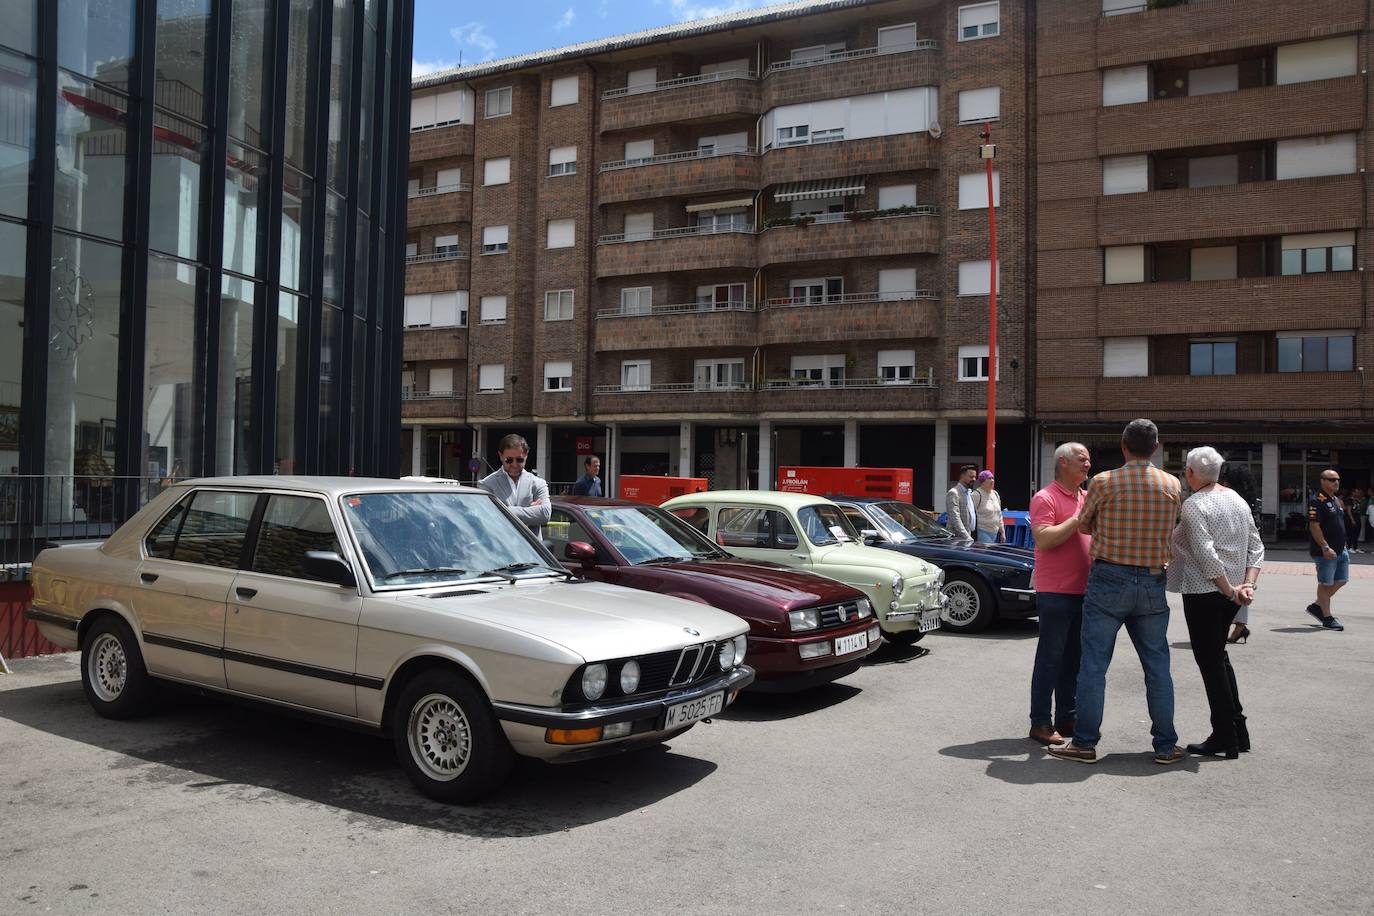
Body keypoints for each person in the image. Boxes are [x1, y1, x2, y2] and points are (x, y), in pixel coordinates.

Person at [1048, 418, 1185, 766]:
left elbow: (1084, 525)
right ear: (1155, 447)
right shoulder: (1171, 484)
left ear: (1124, 446)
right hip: (1152, 581)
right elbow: (1172, 526)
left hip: (1109, 577)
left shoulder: (1103, 482)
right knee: (1157, 666)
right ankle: (1166, 745)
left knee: (1094, 665)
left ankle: (1085, 743)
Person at [1168, 447, 1263, 759]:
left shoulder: (1195, 504)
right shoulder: (1236, 499)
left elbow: (1206, 555)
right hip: (1232, 592)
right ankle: (1237, 731)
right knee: (1218, 658)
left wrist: (1229, 590)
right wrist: (1246, 585)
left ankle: (1225, 735)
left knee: (1210, 663)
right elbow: (1256, 546)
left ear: (1190, 473)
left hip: (1205, 593)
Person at [1026, 442, 1092, 746]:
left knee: (1073, 660)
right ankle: (1040, 722)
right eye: (1082, 459)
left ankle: (1067, 717)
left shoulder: (1086, 497)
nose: (1087, 464)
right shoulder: (1046, 497)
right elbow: (1044, 538)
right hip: (1055, 591)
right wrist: (1077, 519)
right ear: (1063, 462)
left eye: (1088, 460)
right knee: (1050, 659)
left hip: (1084, 590)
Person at [1218, 462, 1260, 645]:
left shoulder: (1232, 500)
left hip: (1235, 550)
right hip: (1244, 550)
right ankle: (1239, 626)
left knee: (1235, 589)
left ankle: (1239, 626)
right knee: (1241, 588)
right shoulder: (1246, 500)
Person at [479, 434, 551, 537]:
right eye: (509, 460)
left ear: (526, 455)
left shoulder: (538, 483)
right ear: (500, 456)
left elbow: (545, 513)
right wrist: (530, 512)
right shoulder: (486, 484)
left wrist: (503, 510)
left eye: (519, 460)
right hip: (501, 545)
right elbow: (487, 517)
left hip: (531, 547)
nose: (514, 465)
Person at [1305, 469, 1347, 631]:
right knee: (1325, 583)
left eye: (1337, 479)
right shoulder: (1317, 500)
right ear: (1322, 481)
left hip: (1340, 550)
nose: (1336, 482)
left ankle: (1317, 606)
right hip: (1325, 551)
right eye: (1331, 479)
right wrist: (1325, 547)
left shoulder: (1336, 500)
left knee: (1342, 580)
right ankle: (1327, 617)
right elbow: (1314, 526)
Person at [944, 465, 978, 540]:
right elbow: (955, 518)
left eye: (975, 477)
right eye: (971, 477)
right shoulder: (953, 493)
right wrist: (967, 537)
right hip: (956, 539)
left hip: (968, 535)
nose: (974, 479)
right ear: (962, 476)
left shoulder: (968, 493)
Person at [972, 470, 1004, 544]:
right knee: (986, 550)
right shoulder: (976, 495)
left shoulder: (995, 494)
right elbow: (970, 514)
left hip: (994, 531)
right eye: (989, 478)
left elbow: (999, 515)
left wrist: (1002, 532)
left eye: (993, 478)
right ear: (983, 481)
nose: (992, 480)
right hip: (982, 531)